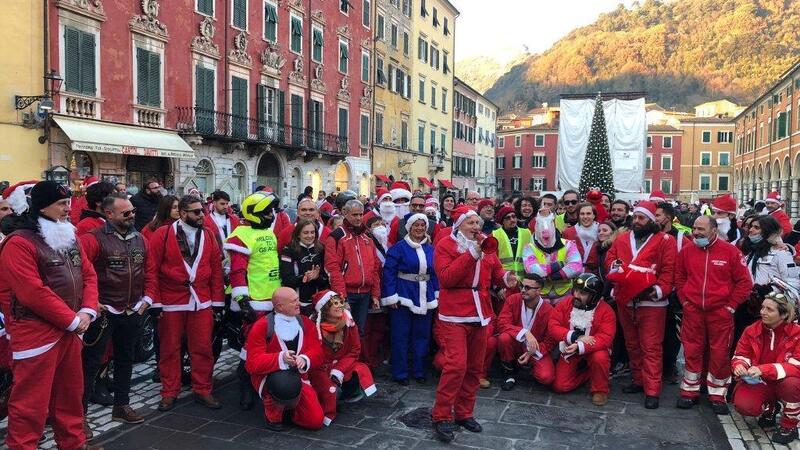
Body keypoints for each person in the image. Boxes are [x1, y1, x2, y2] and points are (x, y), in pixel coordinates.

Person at [0, 181, 99, 450]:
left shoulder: (71, 236)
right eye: (62, 204)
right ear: (43, 206)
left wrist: (87, 311)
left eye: (68, 202)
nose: (69, 208)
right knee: (29, 406)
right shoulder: (18, 243)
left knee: (69, 400)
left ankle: (74, 444)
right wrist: (72, 320)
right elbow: (32, 292)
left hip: (70, 330)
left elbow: (88, 274)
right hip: (36, 334)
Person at [431, 206, 516, 443]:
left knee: (475, 367)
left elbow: (498, 272)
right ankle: (441, 415)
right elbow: (446, 278)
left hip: (481, 312)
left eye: (477, 223)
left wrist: (507, 278)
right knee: (456, 366)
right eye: (470, 223)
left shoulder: (485, 245)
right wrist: (471, 254)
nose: (476, 228)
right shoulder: (446, 246)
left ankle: (464, 412)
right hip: (454, 314)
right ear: (459, 225)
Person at [79, 193, 158, 430]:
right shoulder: (92, 239)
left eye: (133, 211)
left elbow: (150, 271)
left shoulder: (141, 239)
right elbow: (80, 274)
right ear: (108, 213)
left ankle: (121, 406)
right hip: (103, 311)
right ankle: (79, 418)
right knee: (89, 365)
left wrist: (148, 298)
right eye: (126, 213)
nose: (132, 216)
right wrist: (90, 303)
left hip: (132, 309)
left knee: (126, 360)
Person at [150, 195, 225, 412]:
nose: (202, 215)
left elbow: (216, 272)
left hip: (201, 300)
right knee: (170, 349)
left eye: (202, 211)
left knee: (202, 347)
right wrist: (155, 302)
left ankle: (203, 389)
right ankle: (169, 391)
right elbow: (152, 270)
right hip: (171, 300)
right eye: (196, 212)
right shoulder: (162, 235)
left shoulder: (209, 235)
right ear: (182, 214)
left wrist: (217, 302)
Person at [675, 216, 753, 414]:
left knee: (720, 352)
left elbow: (744, 282)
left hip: (720, 312)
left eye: (701, 229)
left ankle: (717, 394)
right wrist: (685, 301)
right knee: (692, 350)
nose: (696, 232)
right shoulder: (687, 251)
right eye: (694, 228)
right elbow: (680, 277)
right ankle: (689, 391)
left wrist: (731, 306)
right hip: (693, 310)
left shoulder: (730, 252)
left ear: (713, 230)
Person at [605, 201, 677, 409]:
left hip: (652, 303)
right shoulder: (623, 239)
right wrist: (616, 268)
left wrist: (657, 290)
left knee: (651, 347)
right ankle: (638, 380)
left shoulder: (665, 241)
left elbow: (668, 270)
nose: (636, 221)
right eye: (635, 217)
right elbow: (611, 259)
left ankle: (652, 389)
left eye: (641, 218)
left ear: (652, 220)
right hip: (625, 300)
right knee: (632, 344)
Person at [243, 287, 324, 431]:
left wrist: (305, 359)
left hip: (299, 378)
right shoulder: (262, 326)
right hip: (271, 378)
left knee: (315, 421)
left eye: (297, 299)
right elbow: (252, 363)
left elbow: (318, 352)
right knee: (282, 383)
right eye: (294, 301)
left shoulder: (305, 323)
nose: (298, 303)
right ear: (280, 306)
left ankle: (289, 407)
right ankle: (273, 413)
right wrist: (281, 359)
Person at [732, 292, 800, 445]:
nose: (762, 312)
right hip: (760, 382)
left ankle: (789, 425)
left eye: (769, 309)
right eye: (763, 308)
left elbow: (797, 367)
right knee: (744, 405)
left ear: (783, 315)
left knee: (791, 385)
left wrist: (764, 369)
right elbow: (740, 355)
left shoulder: (798, 333)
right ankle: (771, 408)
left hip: (786, 382)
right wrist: (739, 366)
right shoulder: (751, 330)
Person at [381, 213, 439, 385]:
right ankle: (400, 373)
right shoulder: (398, 248)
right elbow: (389, 273)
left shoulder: (431, 249)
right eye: (416, 225)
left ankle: (419, 370)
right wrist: (391, 297)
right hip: (403, 296)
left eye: (423, 225)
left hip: (425, 296)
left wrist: (437, 293)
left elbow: (435, 274)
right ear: (409, 227)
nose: (420, 228)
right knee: (401, 335)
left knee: (422, 335)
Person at [308, 290, 376, 426]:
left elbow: (355, 350)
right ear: (325, 309)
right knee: (331, 391)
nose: (340, 306)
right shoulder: (313, 328)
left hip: (341, 366)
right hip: (320, 369)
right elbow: (313, 357)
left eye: (341, 302)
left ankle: (347, 393)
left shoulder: (349, 324)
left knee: (361, 370)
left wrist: (339, 370)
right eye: (335, 303)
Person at [549, 273, 616, 406]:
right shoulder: (565, 304)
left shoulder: (606, 311)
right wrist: (576, 338)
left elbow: (605, 338)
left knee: (600, 358)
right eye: (576, 291)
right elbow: (553, 325)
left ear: (593, 296)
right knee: (560, 386)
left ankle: (600, 390)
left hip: (593, 349)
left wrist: (580, 346)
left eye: (582, 293)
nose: (576, 295)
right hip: (569, 349)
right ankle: (590, 375)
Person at [738, 215, 800, 345]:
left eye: (756, 228)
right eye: (751, 227)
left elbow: (792, 283)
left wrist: (771, 292)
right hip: (747, 305)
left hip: (770, 307)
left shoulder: (781, 253)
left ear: (767, 231)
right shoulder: (749, 252)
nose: (751, 230)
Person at [324, 199, 381, 334]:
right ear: (345, 214)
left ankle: (357, 356)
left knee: (359, 332)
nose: (359, 218)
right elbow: (333, 269)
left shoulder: (367, 238)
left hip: (365, 293)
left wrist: (375, 294)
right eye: (355, 215)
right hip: (347, 293)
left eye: (361, 214)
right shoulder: (336, 237)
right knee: (344, 332)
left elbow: (374, 268)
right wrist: (342, 297)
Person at [496, 273, 555, 391]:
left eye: (527, 288)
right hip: (515, 344)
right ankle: (509, 373)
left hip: (535, 349)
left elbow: (550, 341)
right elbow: (502, 324)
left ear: (539, 291)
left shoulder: (549, 310)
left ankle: (529, 367)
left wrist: (530, 353)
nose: (523, 290)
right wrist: (525, 333)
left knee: (546, 377)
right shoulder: (513, 299)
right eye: (522, 286)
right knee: (504, 338)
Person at [522, 212, 583, 305]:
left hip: (564, 294)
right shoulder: (529, 248)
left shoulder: (568, 244)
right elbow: (533, 270)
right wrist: (559, 265)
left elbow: (576, 267)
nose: (545, 232)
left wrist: (550, 276)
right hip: (539, 297)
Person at [279, 219, 328, 315]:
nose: (310, 236)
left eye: (312, 232)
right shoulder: (288, 250)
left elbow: (326, 280)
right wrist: (304, 278)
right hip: (297, 303)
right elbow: (286, 279)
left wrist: (317, 277)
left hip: (318, 303)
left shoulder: (322, 248)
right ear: (298, 234)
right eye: (305, 233)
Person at [493, 206, 532, 278]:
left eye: (514, 216)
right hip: (504, 280)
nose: (512, 220)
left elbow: (533, 257)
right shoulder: (495, 235)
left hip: (523, 281)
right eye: (508, 218)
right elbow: (492, 261)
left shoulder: (527, 233)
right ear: (502, 221)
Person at [562, 203, 600, 274]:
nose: (585, 216)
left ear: (594, 215)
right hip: (573, 274)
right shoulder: (568, 233)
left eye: (588, 213)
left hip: (596, 275)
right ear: (578, 216)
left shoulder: (601, 231)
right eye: (582, 214)